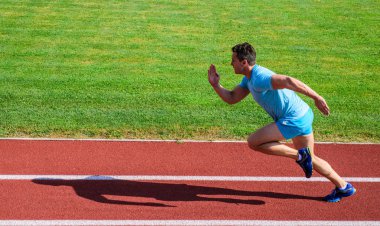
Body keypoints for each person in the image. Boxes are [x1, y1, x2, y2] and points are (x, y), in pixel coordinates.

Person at [207, 42, 356, 203]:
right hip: (303, 115)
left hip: (294, 119)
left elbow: (288, 81)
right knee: (312, 158)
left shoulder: (259, 78)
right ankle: (343, 186)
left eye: (233, 60)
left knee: (254, 142)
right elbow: (232, 98)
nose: (231, 63)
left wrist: (317, 97)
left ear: (244, 62)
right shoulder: (248, 79)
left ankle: (299, 155)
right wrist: (216, 85)